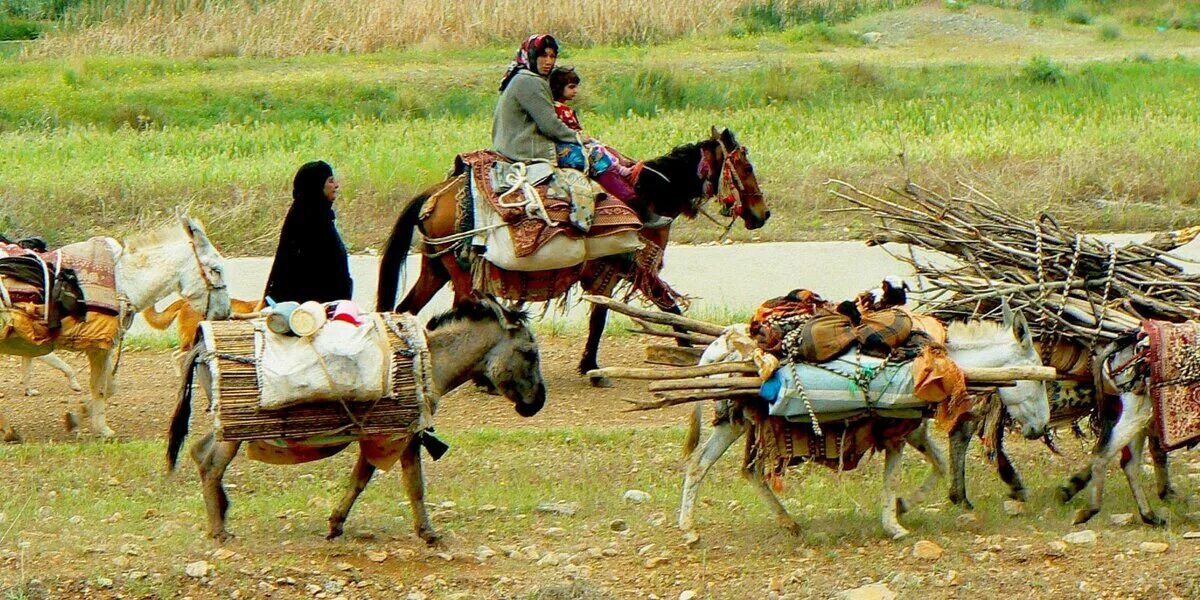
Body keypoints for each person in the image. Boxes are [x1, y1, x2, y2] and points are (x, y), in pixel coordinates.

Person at [549, 66, 670, 228]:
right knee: (598, 157)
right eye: (571, 87)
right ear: (558, 88)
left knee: (603, 148)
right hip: (568, 149)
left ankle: (621, 170)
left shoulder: (561, 109)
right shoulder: (558, 110)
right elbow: (570, 133)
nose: (575, 91)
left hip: (573, 144)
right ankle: (635, 203)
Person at [262, 160, 353, 305]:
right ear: (317, 186)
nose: (336, 186)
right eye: (330, 181)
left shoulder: (311, 215)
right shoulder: (310, 222)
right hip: (308, 313)